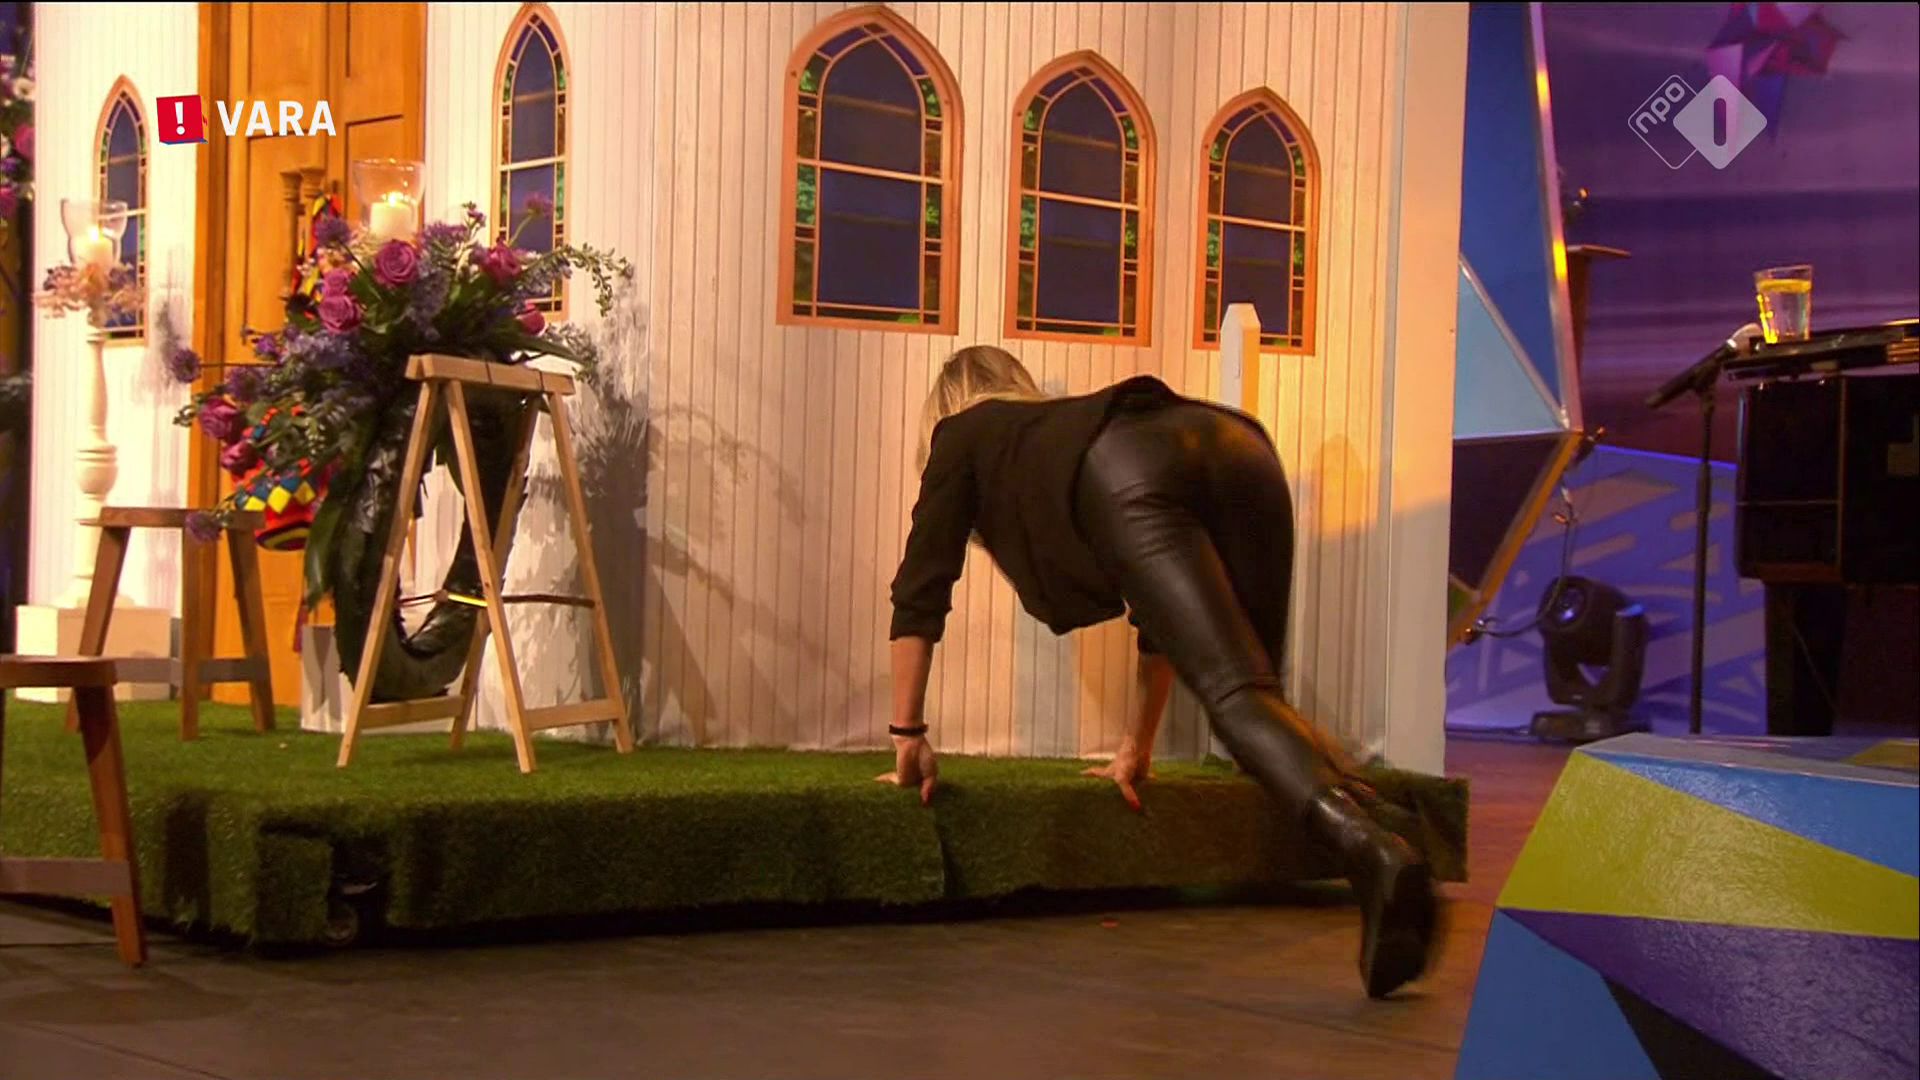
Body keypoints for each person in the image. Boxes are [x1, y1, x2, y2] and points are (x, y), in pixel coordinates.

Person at [881, 345, 1439, 999]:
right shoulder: (1059, 435)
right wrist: (1136, 748)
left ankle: (1373, 851)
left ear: (944, 408)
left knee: (1239, 699)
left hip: (1140, 462)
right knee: (1259, 700)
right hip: (1237, 444)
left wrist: (907, 733)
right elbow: (1161, 617)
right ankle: (1396, 835)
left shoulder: (960, 434)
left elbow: (920, 588)